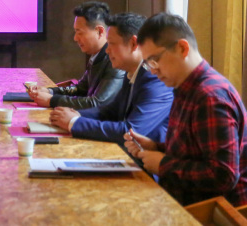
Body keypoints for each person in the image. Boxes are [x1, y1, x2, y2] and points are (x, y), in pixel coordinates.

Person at [123, 13, 247, 207]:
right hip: (190, 203)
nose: (153, 70)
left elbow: (223, 176)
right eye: (147, 64)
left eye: (154, 60)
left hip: (221, 213)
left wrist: (163, 164)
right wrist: (156, 147)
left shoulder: (210, 97)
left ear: (182, 48)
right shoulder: (185, 87)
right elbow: (195, 152)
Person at [49, 12, 173, 145]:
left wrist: (74, 122)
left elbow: (130, 132)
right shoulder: (133, 71)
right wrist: (77, 114)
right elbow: (109, 111)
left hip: (145, 155)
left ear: (133, 43)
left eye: (112, 44)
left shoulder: (155, 79)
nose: (107, 50)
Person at [29, 1, 124, 109]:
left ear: (100, 31)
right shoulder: (96, 55)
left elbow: (98, 103)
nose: (75, 38)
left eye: (80, 32)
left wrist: (51, 100)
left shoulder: (114, 60)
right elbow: (80, 89)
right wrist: (50, 91)